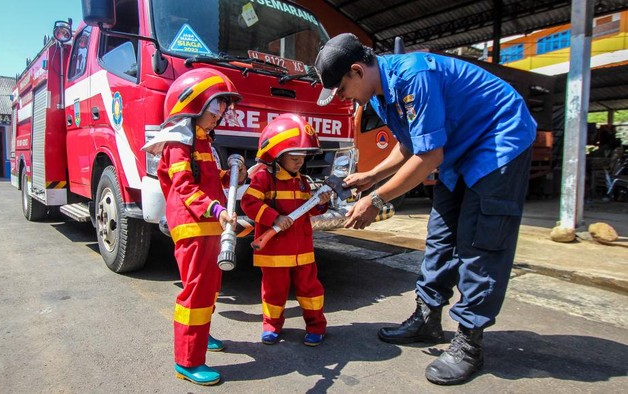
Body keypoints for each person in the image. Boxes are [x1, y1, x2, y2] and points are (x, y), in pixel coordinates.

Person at [314, 33, 536, 385]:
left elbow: (428, 155)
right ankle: (428, 319)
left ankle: (469, 342)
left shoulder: (414, 76)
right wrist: (372, 176)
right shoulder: (379, 94)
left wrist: (378, 199)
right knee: (442, 235)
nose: (344, 98)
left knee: (481, 242)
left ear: (357, 71)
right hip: (459, 146)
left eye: (342, 89)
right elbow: (409, 143)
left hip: (497, 137)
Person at [141, 68, 246, 386]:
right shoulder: (177, 143)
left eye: (222, 110)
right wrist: (216, 209)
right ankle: (187, 360)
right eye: (215, 109)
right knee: (196, 291)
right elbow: (185, 188)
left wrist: (238, 175)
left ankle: (202, 333)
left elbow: (211, 181)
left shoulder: (203, 143)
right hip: (193, 226)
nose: (220, 116)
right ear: (192, 106)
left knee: (210, 287)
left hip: (211, 225)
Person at [240, 113, 331, 347]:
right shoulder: (263, 177)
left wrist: (320, 203)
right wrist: (275, 217)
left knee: (310, 289)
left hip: (303, 251)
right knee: (274, 291)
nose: (300, 162)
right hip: (273, 252)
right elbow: (248, 203)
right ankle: (271, 325)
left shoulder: (302, 180)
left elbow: (307, 211)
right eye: (294, 157)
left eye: (303, 157)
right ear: (277, 155)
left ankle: (316, 326)